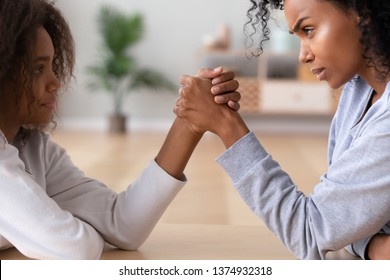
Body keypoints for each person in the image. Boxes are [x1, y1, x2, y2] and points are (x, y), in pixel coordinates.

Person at [0, 0, 241, 259]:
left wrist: (189, 122)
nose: (55, 82)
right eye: (38, 68)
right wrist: (72, 230)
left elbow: (122, 224)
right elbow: (75, 248)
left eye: (51, 65)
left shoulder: (35, 148)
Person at [175, 0, 390, 260]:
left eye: (308, 30)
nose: (303, 55)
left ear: (362, 11)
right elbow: (342, 226)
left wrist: (227, 125)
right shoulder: (359, 90)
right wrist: (370, 246)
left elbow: (312, 232)